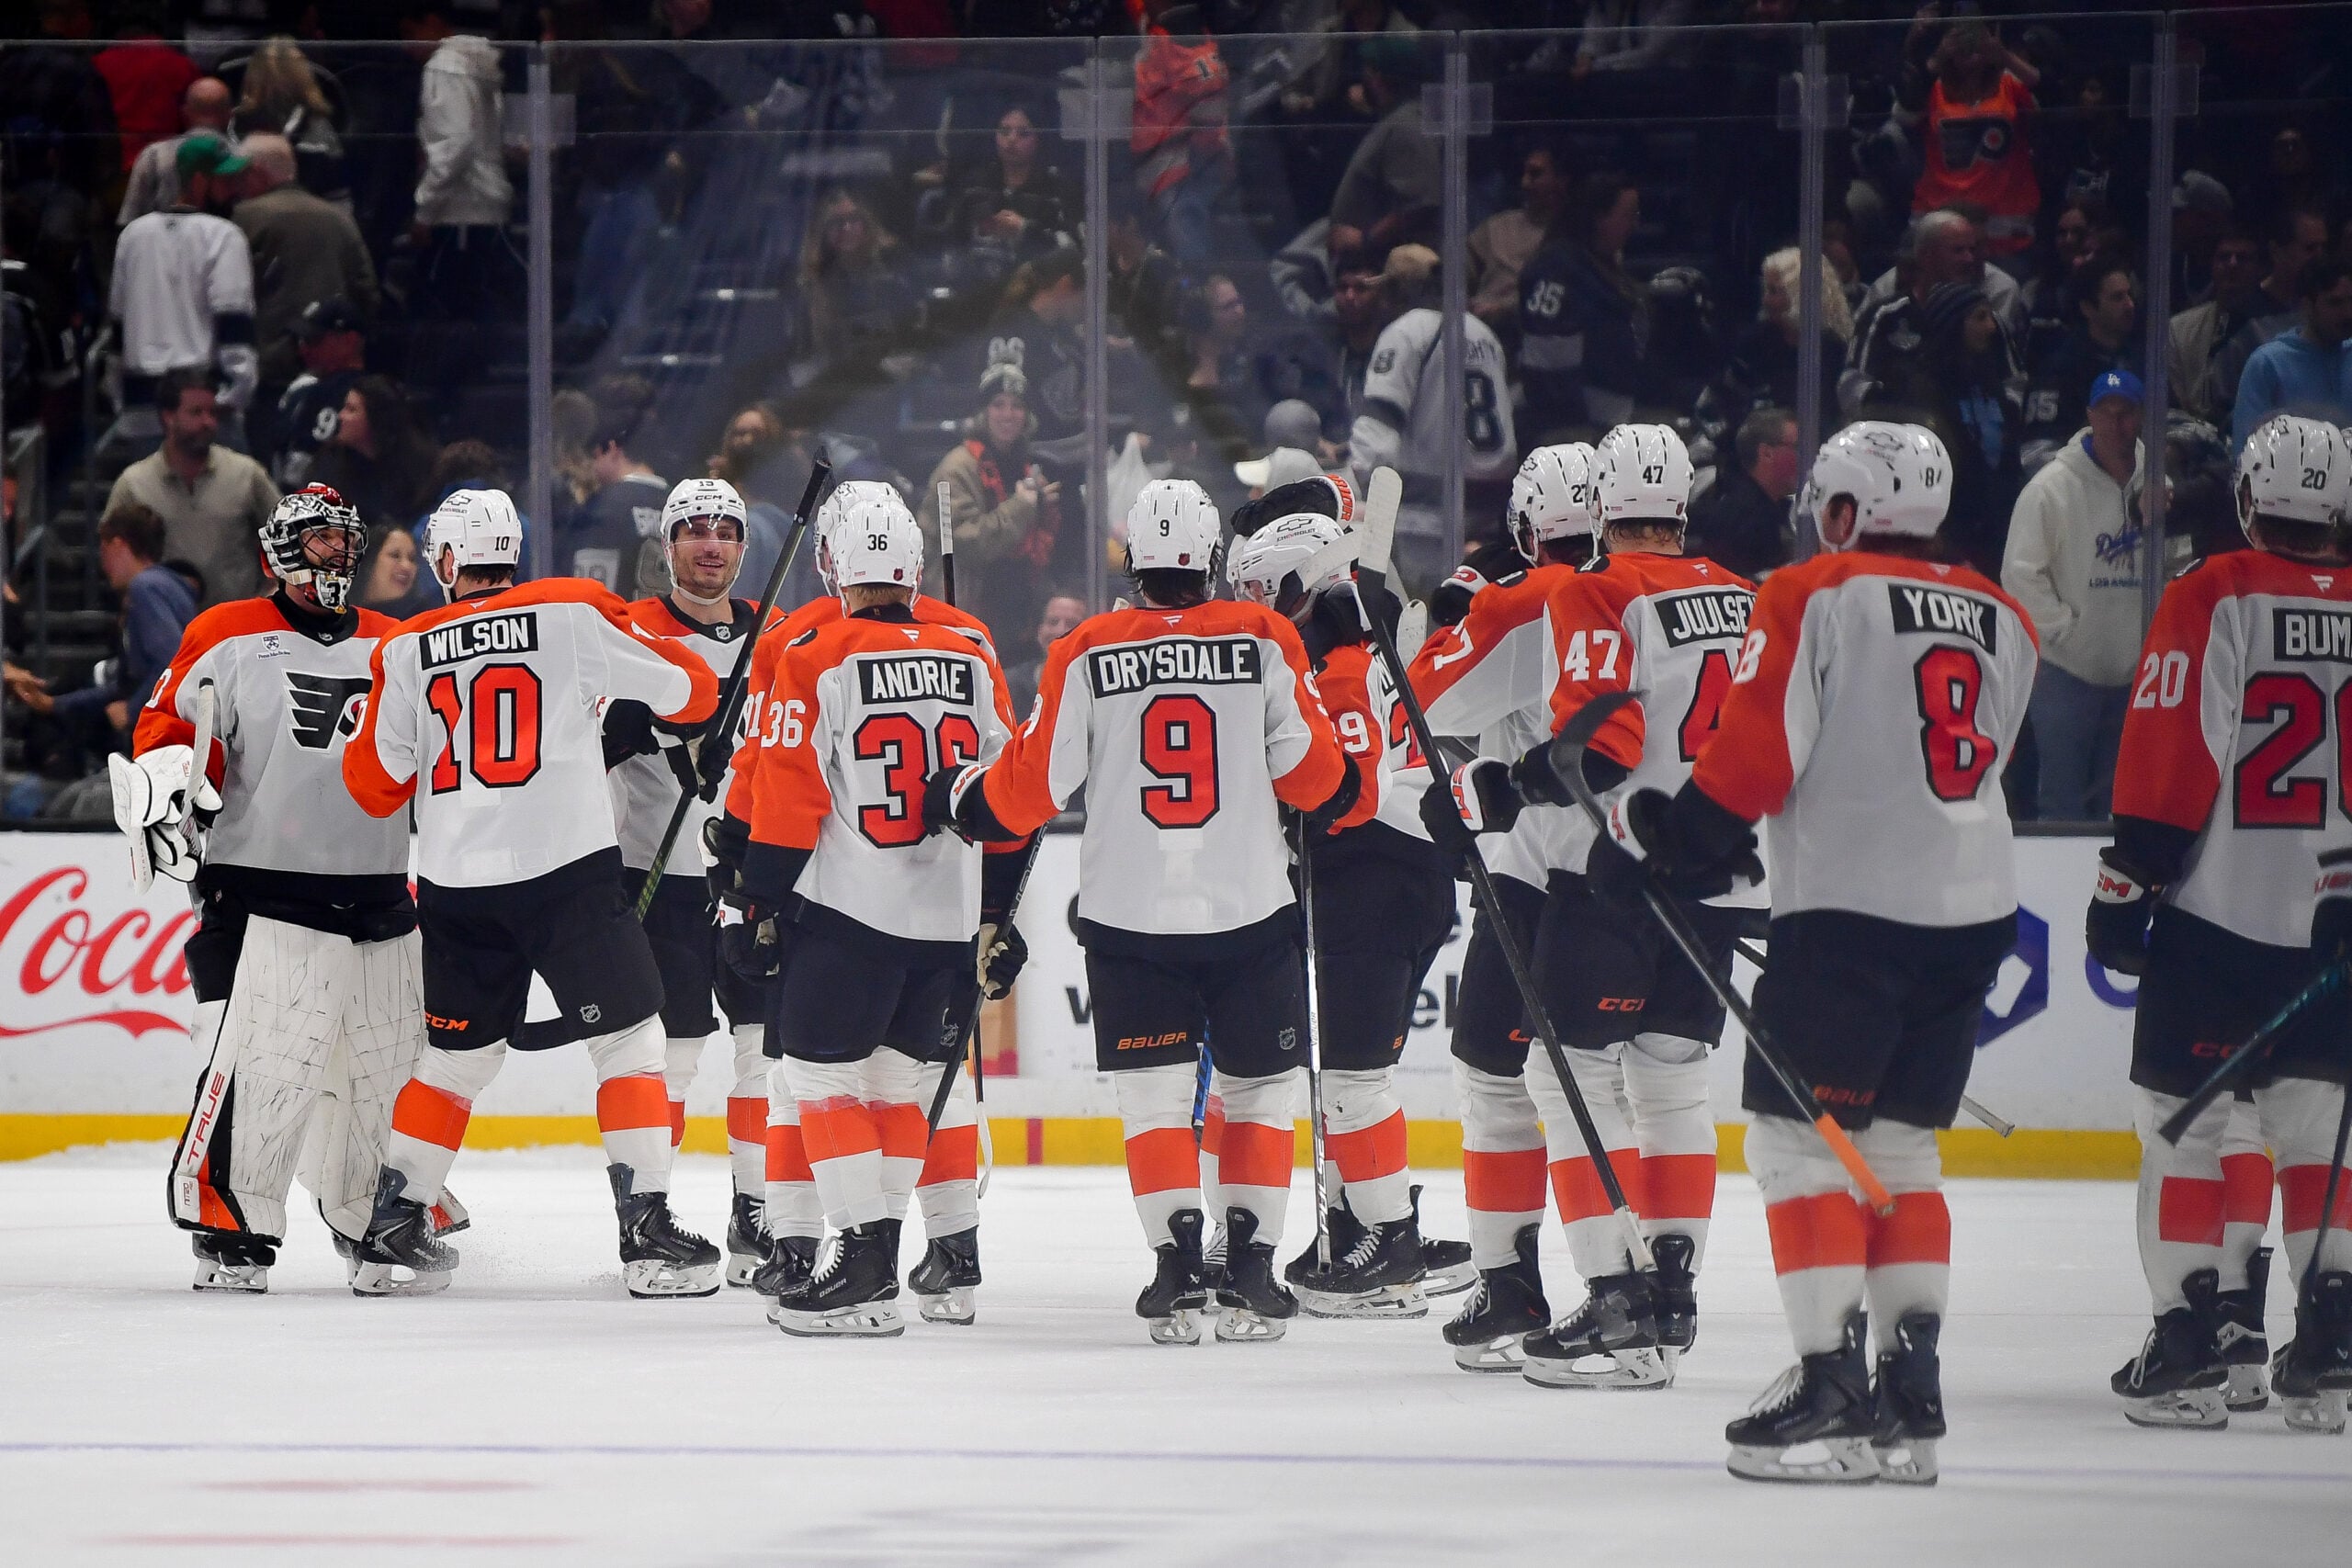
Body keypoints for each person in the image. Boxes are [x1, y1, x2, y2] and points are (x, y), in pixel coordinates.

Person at [1629, 422, 2036, 1482]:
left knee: (1797, 1147)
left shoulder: (1812, 590)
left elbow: (1761, 744)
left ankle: (1829, 1388)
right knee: (1901, 1151)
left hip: (1853, 909)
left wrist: (1686, 840)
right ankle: (1912, 1391)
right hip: (1974, 909)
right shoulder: (2004, 614)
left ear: (1848, 510)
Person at [922, 479, 1355, 1346]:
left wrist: (963, 796)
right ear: (1211, 560)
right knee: (1259, 1096)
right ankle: (1252, 1273)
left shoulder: (1087, 645)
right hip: (1250, 912)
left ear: (1134, 559)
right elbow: (1318, 781)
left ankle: (1174, 1267)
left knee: (1157, 1103)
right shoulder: (1266, 635)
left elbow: (1033, 790)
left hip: (1129, 919)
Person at [1422, 423, 1758, 1393]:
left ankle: (1609, 1294)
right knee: (1672, 1086)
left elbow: (1596, 748)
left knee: (1556, 1078)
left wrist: (1497, 782)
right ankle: (1668, 1290)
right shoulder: (1740, 594)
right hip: (1718, 879)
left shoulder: (1592, 590)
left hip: (1605, 875)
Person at [342, 487, 721, 1298]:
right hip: (567, 877)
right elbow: (693, 691)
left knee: (453, 1059)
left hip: (454, 888)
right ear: (512, 550)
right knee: (630, 1043)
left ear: (446, 562)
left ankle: (392, 1228)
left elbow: (373, 786)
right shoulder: (572, 612)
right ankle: (647, 1231)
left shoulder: (405, 647)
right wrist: (603, 705)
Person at [2090, 413, 2352, 1435]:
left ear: (2247, 501)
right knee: (2322, 1133)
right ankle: (2330, 1343)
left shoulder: (2214, 591)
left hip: (2220, 918)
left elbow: (2171, 750)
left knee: (2181, 1128)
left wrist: (2126, 885)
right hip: (2337, 925)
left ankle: (2190, 1344)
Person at [717, 488, 1026, 1337]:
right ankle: (922, 1253)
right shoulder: (973, 644)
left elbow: (785, 796)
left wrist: (755, 901)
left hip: (849, 914)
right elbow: (1012, 795)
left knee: (813, 1081)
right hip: (948, 920)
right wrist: (998, 909)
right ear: (915, 568)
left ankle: (860, 1260)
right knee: (904, 1087)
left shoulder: (815, 648)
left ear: (834, 567)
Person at [124, 485, 434, 1293]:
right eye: (319, 538)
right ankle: (229, 1225)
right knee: (258, 1063)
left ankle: (374, 1218)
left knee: (385, 1068)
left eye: (344, 538)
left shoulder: (397, 641)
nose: (335, 553)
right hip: (258, 888)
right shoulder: (224, 633)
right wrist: (164, 785)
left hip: (377, 888)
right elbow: (171, 734)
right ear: (280, 550)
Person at [1222, 505, 1471, 1319]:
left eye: (1263, 589)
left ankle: (1391, 1243)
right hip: (1390, 878)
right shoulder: (1350, 639)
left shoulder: (1337, 663)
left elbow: (1350, 795)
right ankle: (1360, 1220)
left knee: (1354, 1081)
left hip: (1378, 882)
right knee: (1349, 1078)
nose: (1253, 604)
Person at [1401, 443, 1599, 1371]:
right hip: (1650, 860)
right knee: (1633, 1087)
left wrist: (1448, 617)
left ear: (1526, 530)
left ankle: (1534, 1288)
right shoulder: (1658, 592)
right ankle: (1643, 1282)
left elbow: (1416, 698)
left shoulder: (1528, 607)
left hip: (1548, 863)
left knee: (1512, 1074)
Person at [582, 478, 777, 1285]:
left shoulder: (773, 635)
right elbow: (591, 741)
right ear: (667, 546)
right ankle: (648, 1214)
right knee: (673, 1054)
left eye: (725, 531)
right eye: (693, 530)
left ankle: (757, 1214)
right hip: (659, 877)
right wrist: (661, 720)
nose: (710, 545)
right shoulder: (628, 632)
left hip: (758, 874)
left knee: (767, 1051)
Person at [2002, 369, 2145, 821]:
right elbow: (2020, 574)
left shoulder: (2157, 485)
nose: (2116, 423)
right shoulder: (2051, 489)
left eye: (2126, 414)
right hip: (2066, 674)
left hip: (2133, 675)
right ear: (2089, 416)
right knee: (2061, 802)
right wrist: (2064, 631)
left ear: (2141, 418)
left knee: (2119, 803)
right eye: (2107, 412)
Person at [1351, 244, 1516, 592]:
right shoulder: (1484, 334)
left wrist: (1365, 498)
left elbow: (1375, 438)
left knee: (1423, 619)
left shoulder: (1406, 332)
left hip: (1423, 518)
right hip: (1487, 512)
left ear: (1398, 289)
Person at [17, 502, 197, 760]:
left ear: (118, 545)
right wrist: (55, 705)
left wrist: (133, 710)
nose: (102, 563)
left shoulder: (146, 588)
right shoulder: (167, 587)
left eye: (102, 548)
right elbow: (124, 685)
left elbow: (172, 661)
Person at [109, 131, 257, 428]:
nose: (233, 189)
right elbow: (233, 320)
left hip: (141, 398)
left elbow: (118, 324)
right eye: (225, 180)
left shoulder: (133, 235)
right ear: (200, 180)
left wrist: (118, 395)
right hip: (204, 400)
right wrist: (235, 394)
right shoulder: (224, 235)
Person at [918, 359, 1064, 648]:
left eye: (1017, 405)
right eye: (999, 404)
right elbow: (971, 543)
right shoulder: (956, 469)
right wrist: (1022, 506)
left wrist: (1043, 507)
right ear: (983, 412)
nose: (1008, 414)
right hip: (962, 613)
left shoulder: (1024, 464)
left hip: (1015, 611)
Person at [104, 368, 280, 608]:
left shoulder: (246, 474)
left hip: (236, 629)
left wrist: (272, 594)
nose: (208, 422)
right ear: (169, 417)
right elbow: (111, 550)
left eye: (212, 413)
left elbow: (290, 536)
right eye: (196, 413)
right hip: (167, 627)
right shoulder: (134, 484)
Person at [232, 131, 376, 391]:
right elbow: (365, 290)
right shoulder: (340, 218)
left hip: (267, 365)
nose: (236, 187)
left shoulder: (243, 218)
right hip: (331, 365)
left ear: (256, 172)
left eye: (240, 177)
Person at [1519, 173, 1647, 439]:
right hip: (1573, 430)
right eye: (1628, 215)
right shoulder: (1556, 270)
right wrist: (1573, 433)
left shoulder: (1604, 267)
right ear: (1599, 217)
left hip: (1613, 424)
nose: (1635, 225)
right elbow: (1546, 367)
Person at [409, 6, 516, 321]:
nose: (406, 47)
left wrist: (425, 211)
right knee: (472, 308)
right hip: (486, 204)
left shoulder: (445, 67)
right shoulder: (476, 66)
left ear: (431, 21)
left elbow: (455, 144)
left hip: (460, 210)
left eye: (409, 34)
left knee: (445, 311)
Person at [1903, 17, 2040, 257]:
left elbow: (2045, 92)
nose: (1969, 47)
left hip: (2004, 221)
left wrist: (2003, 55)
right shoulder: (1931, 89)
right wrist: (1938, 56)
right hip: (1939, 210)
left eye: (1976, 38)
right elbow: (1903, 115)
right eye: (1960, 39)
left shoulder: (2010, 84)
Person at [558, 377, 669, 595]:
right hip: (664, 627)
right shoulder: (675, 502)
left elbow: (589, 600)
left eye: (593, 454)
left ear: (611, 448)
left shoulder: (602, 508)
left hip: (619, 626)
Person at [2023, 260, 2139, 469]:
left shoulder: (2141, 358)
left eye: (2129, 295)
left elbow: (2175, 419)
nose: (2129, 305)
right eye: (2117, 298)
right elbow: (2036, 453)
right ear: (2088, 308)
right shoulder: (2058, 369)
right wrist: (2099, 470)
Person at [2232, 258, 2352, 450]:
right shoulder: (2268, 364)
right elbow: (2245, 451)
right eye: (2335, 303)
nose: (2348, 313)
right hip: (2289, 477)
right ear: (2307, 307)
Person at [797, 188, 916, 374]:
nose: (846, 228)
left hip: (894, 370)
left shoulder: (893, 263)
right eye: (836, 223)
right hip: (832, 378)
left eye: (854, 220)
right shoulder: (810, 279)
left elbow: (914, 325)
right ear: (822, 230)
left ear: (866, 223)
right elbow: (806, 347)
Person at [311, 375, 437, 537]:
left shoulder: (421, 465)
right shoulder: (328, 464)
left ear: (376, 418)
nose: (341, 416)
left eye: (351, 410)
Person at [228, 36, 347, 208]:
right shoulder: (235, 122)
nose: (277, 87)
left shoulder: (315, 126)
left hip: (298, 217)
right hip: (270, 217)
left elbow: (337, 196)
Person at [951, 104, 1078, 266]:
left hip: (1039, 284)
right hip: (978, 282)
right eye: (1004, 132)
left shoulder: (1056, 187)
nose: (1011, 139)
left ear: (1038, 140)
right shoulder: (974, 185)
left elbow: (1073, 252)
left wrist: (1024, 230)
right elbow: (953, 245)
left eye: (1023, 134)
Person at [265, 297, 368, 490]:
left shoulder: (344, 395)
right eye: (302, 340)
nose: (303, 349)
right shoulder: (301, 389)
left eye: (315, 340)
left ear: (349, 341)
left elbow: (299, 476)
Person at [2170, 222, 2267, 426]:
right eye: (2224, 257)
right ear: (2212, 265)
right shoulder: (2179, 328)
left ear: (2260, 268)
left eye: (2243, 258)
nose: (2232, 264)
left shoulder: (2271, 328)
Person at [1468, 144, 1568, 341]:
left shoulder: (1582, 236)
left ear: (1562, 180)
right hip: (1478, 333)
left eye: (1536, 174)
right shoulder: (1496, 227)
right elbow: (1456, 275)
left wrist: (1507, 309)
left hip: (1540, 337)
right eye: (1524, 174)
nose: (1525, 183)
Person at [1686, 407, 1797, 581]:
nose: (1806, 454)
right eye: (1797, 447)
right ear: (1766, 453)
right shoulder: (1741, 519)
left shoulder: (1783, 509)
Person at [118, 74, 230, 226]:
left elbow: (129, 219)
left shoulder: (154, 155)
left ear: (185, 112)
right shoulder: (242, 155)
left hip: (158, 246)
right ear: (229, 115)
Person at [1004, 590, 1087, 721]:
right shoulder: (1009, 686)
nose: (1060, 631)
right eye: (1053, 622)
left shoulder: (1097, 689)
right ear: (1039, 630)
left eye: (1072, 624)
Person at [356, 522, 433, 620]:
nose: (406, 566)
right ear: (370, 560)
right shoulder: (340, 614)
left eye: (412, 558)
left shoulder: (423, 622)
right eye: (395, 555)